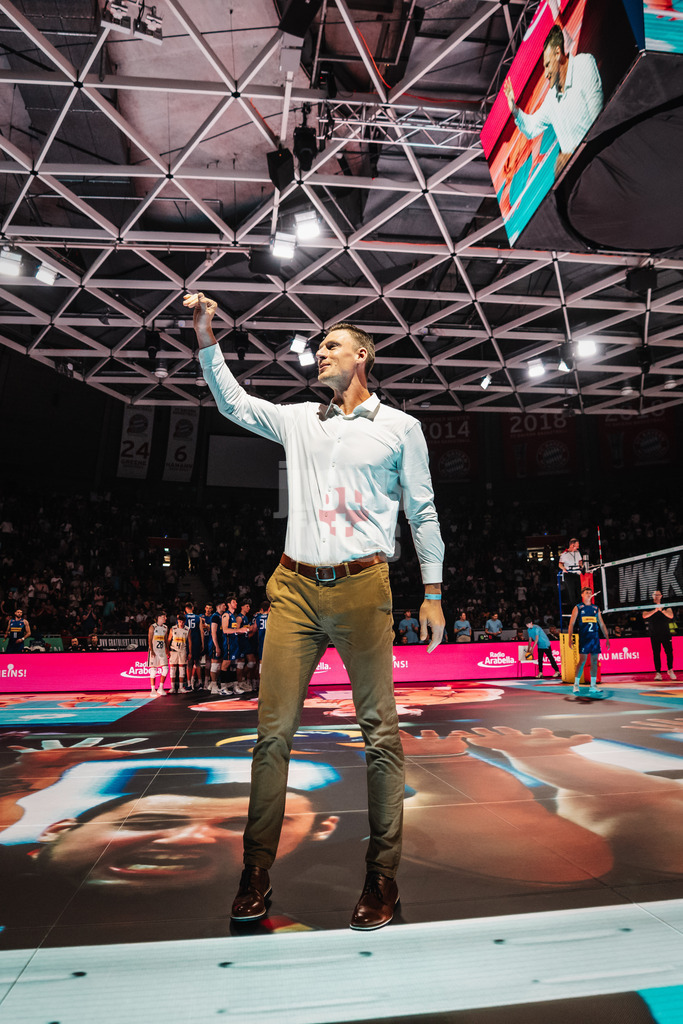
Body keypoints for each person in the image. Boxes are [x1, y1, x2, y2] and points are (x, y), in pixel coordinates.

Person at [184, 291, 445, 932]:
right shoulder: (301, 420)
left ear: (363, 356)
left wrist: (433, 591)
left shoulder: (401, 429)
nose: (319, 351)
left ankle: (383, 879)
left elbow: (423, 511)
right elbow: (233, 404)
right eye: (318, 346)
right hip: (293, 589)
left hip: (364, 588)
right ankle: (255, 874)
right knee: (272, 736)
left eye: (331, 344)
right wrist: (206, 339)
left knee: (380, 735)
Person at [503, 24, 603, 179]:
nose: (546, 74)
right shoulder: (551, 98)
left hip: (597, 165)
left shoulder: (583, 65)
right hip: (576, 177)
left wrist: (573, 156)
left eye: (547, 65)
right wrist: (514, 109)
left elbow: (599, 119)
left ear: (558, 53)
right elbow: (532, 128)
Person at [568, 587, 610, 695]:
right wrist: (570, 638)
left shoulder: (596, 608)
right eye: (586, 592)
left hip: (594, 638)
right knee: (582, 661)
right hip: (584, 638)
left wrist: (607, 638)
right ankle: (576, 685)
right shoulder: (578, 607)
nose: (589, 594)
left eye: (590, 592)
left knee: (595, 662)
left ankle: (593, 685)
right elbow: (571, 624)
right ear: (582, 595)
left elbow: (601, 623)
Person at [643, 590, 677, 682]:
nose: (657, 596)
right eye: (655, 595)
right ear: (652, 596)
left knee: (669, 652)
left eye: (658, 595)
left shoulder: (665, 604)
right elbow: (644, 616)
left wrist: (661, 610)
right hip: (654, 634)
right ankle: (658, 672)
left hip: (666, 633)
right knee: (656, 653)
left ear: (661, 596)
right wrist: (655, 610)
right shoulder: (649, 604)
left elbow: (670, 615)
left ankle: (670, 669)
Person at [558, 537, 584, 613]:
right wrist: (563, 569)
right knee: (572, 593)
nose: (578, 547)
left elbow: (580, 561)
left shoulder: (577, 552)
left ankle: (580, 607)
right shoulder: (564, 554)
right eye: (577, 545)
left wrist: (581, 566)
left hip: (577, 573)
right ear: (572, 545)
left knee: (579, 591)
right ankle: (575, 609)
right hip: (569, 574)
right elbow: (560, 564)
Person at [184, 601, 204, 691]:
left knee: (189, 663)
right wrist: (202, 643)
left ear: (185, 609)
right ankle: (200, 683)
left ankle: (189, 684)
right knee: (197, 662)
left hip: (187, 642)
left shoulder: (183, 617)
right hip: (196, 641)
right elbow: (201, 631)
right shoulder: (198, 617)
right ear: (192, 608)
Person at [147, 612, 169, 695]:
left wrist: (167, 649)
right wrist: (151, 650)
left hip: (162, 651)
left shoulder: (165, 627)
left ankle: (160, 687)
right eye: (164, 617)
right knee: (153, 670)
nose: (165, 618)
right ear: (159, 617)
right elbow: (149, 639)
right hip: (154, 651)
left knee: (166, 669)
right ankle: (153, 689)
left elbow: (166, 640)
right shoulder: (152, 627)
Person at [168, 613, 190, 694]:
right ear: (178, 621)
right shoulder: (173, 628)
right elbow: (168, 640)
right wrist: (167, 650)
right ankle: (173, 687)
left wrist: (190, 652)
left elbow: (189, 642)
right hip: (174, 650)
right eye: (180, 621)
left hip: (182, 650)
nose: (181, 623)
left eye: (183, 621)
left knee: (182, 669)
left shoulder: (187, 629)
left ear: (185, 621)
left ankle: (181, 687)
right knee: (173, 669)